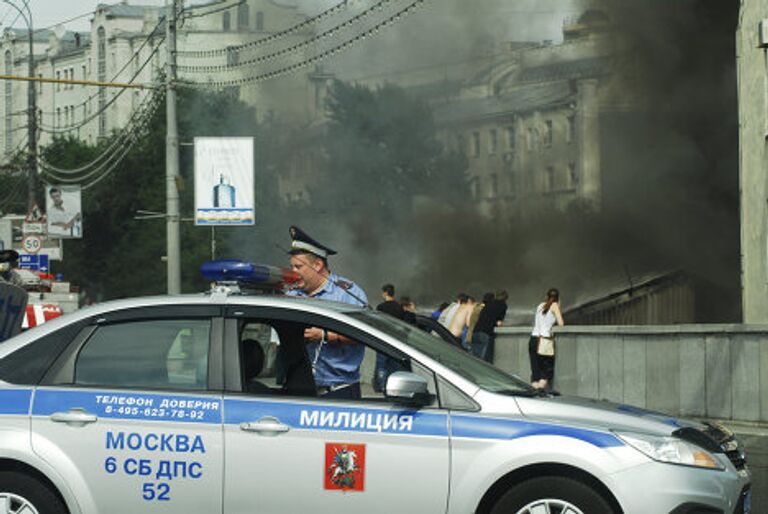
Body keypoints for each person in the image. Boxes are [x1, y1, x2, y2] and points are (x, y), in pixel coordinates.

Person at [284, 226, 368, 400]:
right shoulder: (292, 295)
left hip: (340, 390)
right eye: (292, 267)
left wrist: (325, 335)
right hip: (300, 389)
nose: (293, 272)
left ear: (317, 265)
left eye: (298, 267)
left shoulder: (347, 294)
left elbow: (365, 334)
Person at [374, 284, 407, 391]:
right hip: (397, 341)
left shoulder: (380, 307)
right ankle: (395, 387)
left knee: (382, 365)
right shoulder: (400, 307)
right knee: (395, 366)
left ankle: (382, 386)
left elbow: (377, 324)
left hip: (383, 340)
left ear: (385, 293)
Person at [529, 288, 564, 390]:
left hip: (533, 340)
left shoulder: (540, 305)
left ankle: (535, 393)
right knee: (545, 372)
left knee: (535, 373)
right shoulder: (555, 306)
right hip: (544, 342)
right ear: (558, 298)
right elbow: (561, 323)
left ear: (546, 296)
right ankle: (540, 392)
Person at [472, 290, 509, 363]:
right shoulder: (503, 305)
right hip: (486, 332)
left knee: (475, 357)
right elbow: (499, 322)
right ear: (506, 298)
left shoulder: (488, 304)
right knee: (485, 360)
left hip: (476, 331)